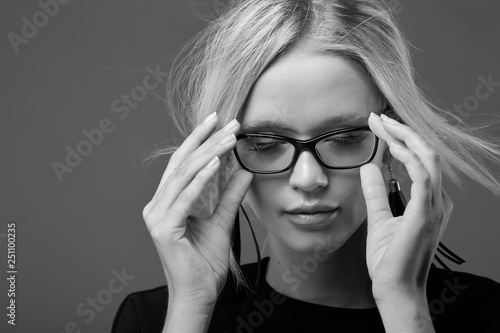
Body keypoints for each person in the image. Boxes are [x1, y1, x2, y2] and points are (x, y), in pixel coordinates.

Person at [112, 0, 500, 332]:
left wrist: (405, 307)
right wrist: (191, 308)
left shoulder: (486, 313)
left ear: (392, 141)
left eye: (344, 139)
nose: (308, 179)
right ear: (223, 156)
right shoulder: (154, 319)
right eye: (265, 144)